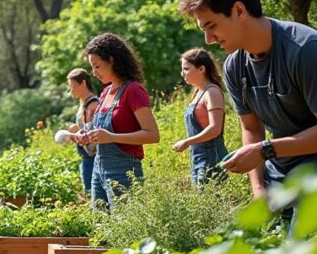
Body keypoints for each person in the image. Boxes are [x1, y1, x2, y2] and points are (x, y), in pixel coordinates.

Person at [179, 0, 317, 226]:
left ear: (239, 11)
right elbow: (251, 129)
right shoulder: (234, 65)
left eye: (212, 26)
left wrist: (265, 150)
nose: (208, 40)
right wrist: (258, 190)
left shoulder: (306, 50)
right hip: (279, 171)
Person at [76, 34, 160, 209]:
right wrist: (87, 134)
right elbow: (102, 132)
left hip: (124, 171)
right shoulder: (105, 92)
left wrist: (112, 137)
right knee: (100, 226)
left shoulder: (134, 90)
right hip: (98, 168)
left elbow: (152, 135)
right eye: (92, 67)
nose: (94, 73)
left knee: (125, 227)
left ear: (112, 60)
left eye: (97, 66)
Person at [172, 48, 229, 186]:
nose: (182, 73)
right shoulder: (199, 92)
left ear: (201, 69)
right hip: (198, 158)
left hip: (211, 158)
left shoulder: (212, 92)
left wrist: (187, 142)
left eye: (186, 69)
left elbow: (215, 129)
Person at [66, 68, 99, 193]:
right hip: (87, 157)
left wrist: (74, 136)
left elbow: (92, 135)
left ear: (83, 83)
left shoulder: (92, 105)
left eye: (72, 86)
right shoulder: (83, 103)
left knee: (93, 195)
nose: (70, 90)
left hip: (93, 158)